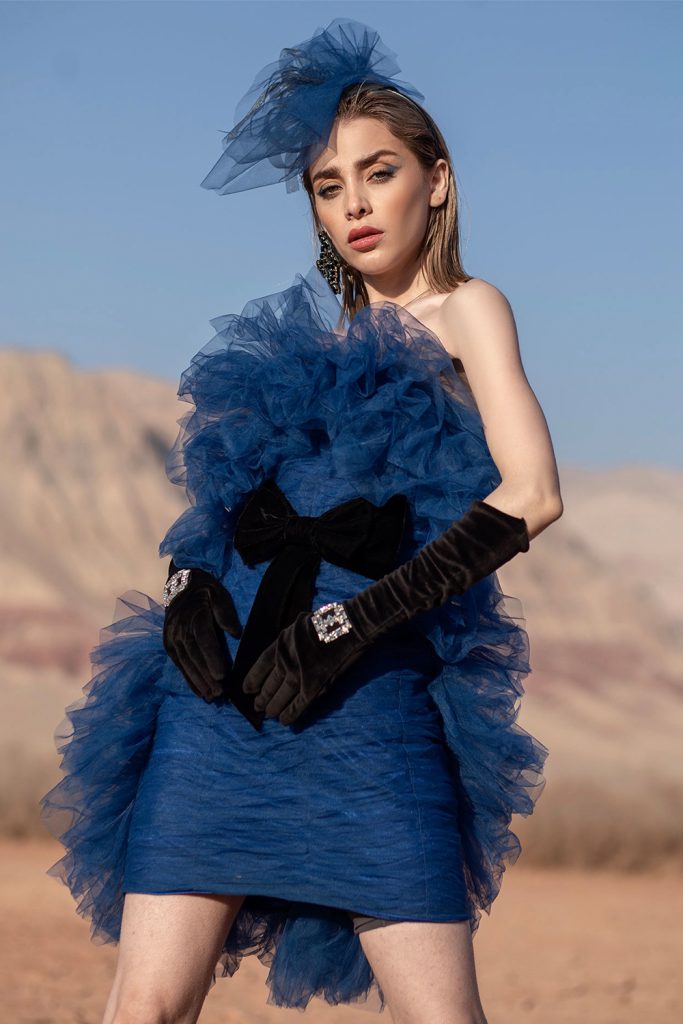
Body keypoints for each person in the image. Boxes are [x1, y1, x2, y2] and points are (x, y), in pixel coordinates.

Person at [39, 18, 560, 1024]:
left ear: (436, 181)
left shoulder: (468, 310)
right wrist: (188, 590)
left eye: (378, 172)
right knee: (143, 1008)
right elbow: (225, 508)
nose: (354, 204)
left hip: (369, 710)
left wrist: (352, 625)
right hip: (218, 713)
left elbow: (531, 492)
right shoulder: (307, 347)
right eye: (328, 185)